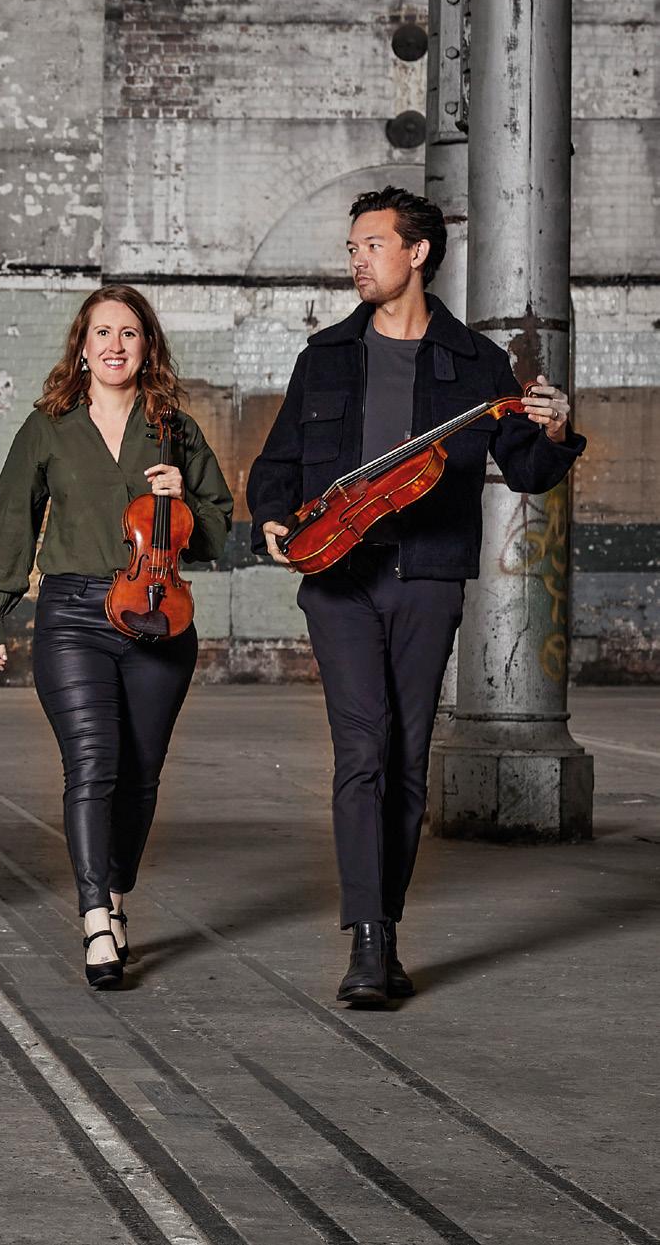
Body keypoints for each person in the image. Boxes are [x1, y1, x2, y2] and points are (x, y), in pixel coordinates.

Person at [247, 187, 586, 1006]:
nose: (357, 260)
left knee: (404, 761)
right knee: (362, 750)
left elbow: (529, 470)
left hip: (427, 577)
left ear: (418, 252)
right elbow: (276, 465)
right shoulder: (326, 356)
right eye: (353, 247)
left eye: (372, 245)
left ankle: (385, 924)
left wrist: (553, 429)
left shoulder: (476, 363)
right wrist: (270, 517)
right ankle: (367, 941)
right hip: (339, 578)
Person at [0, 285, 232, 989]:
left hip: (159, 614)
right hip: (73, 616)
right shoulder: (49, 426)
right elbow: (10, 521)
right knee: (92, 763)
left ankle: (115, 894)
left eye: (129, 333)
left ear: (147, 346)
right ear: (82, 347)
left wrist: (182, 498)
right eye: (102, 333)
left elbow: (217, 525)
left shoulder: (175, 429)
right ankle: (94, 917)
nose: (115, 345)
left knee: (141, 774)